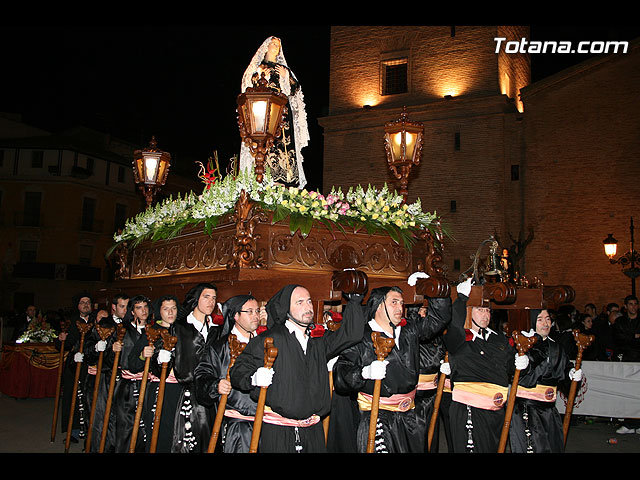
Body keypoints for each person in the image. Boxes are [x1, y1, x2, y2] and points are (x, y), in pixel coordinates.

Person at [229, 284, 365, 453]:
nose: (308, 307)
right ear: (287, 308)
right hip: (279, 433)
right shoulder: (271, 339)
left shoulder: (318, 341)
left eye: (309, 301)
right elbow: (237, 371)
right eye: (299, 302)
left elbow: (351, 334)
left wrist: (354, 299)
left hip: (313, 431)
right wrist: (254, 378)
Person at [333, 285, 451, 453]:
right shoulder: (361, 336)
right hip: (379, 418)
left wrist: (436, 289)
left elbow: (438, 320)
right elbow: (341, 376)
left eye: (401, 303)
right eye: (394, 302)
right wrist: (364, 373)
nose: (400, 308)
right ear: (378, 305)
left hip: (411, 417)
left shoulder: (408, 331)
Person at [443, 278, 528, 453]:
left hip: (495, 411)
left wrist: (520, 363)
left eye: (488, 310)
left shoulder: (499, 339)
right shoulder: (460, 341)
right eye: (480, 310)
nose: (485, 315)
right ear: (469, 312)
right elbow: (453, 327)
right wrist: (461, 299)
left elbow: (508, 369)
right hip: (469, 410)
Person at [239, 36, 310, 189]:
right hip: (262, 112)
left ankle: (286, 179)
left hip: (282, 113)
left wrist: (286, 76)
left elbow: (295, 90)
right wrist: (258, 73)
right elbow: (247, 86)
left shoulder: (284, 69)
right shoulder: (258, 68)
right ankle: (264, 177)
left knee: (283, 144)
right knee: (265, 143)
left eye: (278, 45)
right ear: (265, 47)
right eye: (272, 44)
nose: (275, 47)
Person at [194, 294, 262, 453]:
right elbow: (201, 375)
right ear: (236, 316)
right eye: (250, 312)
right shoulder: (220, 348)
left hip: (267, 423)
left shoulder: (266, 343)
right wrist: (216, 385)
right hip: (238, 427)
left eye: (257, 311)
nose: (256, 316)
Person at [164, 282, 223, 452]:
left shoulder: (216, 330)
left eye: (213, 298)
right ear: (196, 299)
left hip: (212, 394)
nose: (211, 302)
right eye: (206, 297)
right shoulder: (179, 327)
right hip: (186, 393)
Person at [509, 308, 578, 453]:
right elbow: (521, 374)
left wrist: (571, 374)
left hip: (549, 409)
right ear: (533, 322)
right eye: (540, 319)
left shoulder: (557, 347)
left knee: (553, 447)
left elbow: (564, 369)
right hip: (528, 408)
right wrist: (524, 362)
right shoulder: (525, 345)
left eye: (548, 319)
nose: (545, 323)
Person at [130, 294, 183, 452]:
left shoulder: (183, 330)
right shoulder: (151, 332)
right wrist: (143, 354)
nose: (170, 312)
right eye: (166, 309)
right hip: (159, 388)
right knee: (159, 431)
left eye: (173, 308)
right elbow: (133, 363)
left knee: (179, 430)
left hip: (181, 390)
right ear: (159, 311)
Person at [109, 294, 151, 452]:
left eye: (145, 307)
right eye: (139, 308)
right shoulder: (122, 330)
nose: (143, 311)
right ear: (132, 311)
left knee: (146, 426)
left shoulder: (153, 330)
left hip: (148, 383)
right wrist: (112, 350)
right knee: (126, 426)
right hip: (128, 385)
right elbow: (110, 357)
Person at [56, 291, 93, 443]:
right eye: (82, 303)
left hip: (91, 363)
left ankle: (90, 430)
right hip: (74, 363)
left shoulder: (97, 321)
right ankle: (74, 431)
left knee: (89, 397)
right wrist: (60, 339)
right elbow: (62, 345)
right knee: (72, 397)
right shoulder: (71, 322)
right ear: (78, 306)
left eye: (88, 302)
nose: (85, 305)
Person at [613, 295, 640, 362]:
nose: (633, 307)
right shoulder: (620, 321)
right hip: (625, 356)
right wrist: (634, 336)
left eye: (635, 304)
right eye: (631, 304)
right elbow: (618, 338)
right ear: (625, 306)